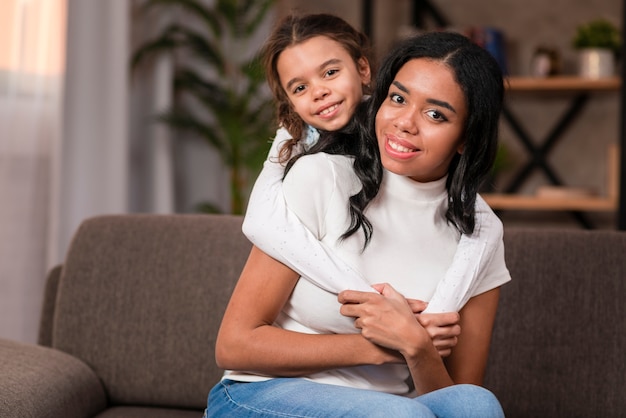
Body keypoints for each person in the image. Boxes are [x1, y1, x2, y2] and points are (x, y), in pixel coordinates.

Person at [206, 31, 510, 417]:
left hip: (391, 408)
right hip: (259, 395)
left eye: (435, 114)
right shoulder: (321, 178)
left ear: (467, 137)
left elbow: (455, 393)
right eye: (397, 99)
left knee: (475, 404)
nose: (404, 123)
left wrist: (417, 348)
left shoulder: (479, 237)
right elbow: (233, 344)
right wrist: (382, 345)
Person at [242, 13, 503, 314]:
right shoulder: (298, 144)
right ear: (289, 103)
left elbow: (479, 220)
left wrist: (431, 319)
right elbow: (260, 223)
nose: (319, 91)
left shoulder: (384, 120)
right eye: (299, 88)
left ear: (363, 69)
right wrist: (376, 303)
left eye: (329, 73)